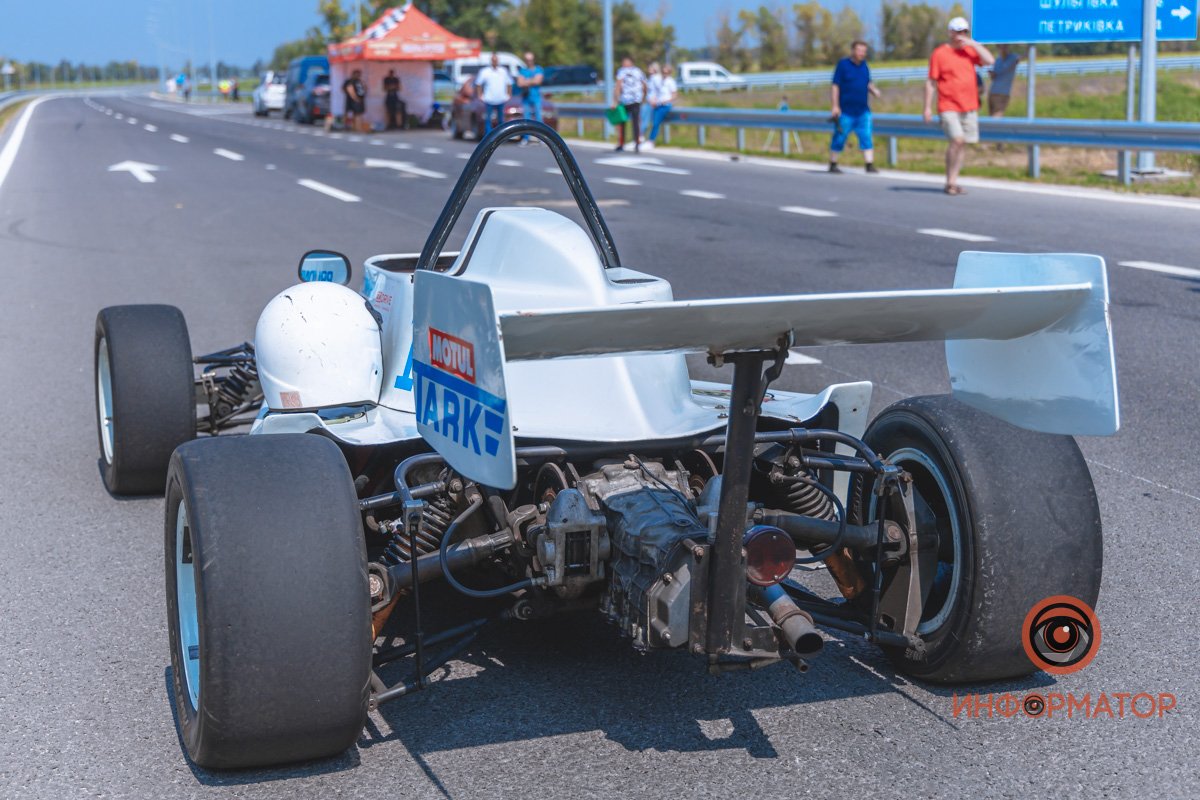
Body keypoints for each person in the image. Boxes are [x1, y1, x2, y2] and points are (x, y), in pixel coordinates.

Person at [923, 16, 994, 196]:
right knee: (957, 140)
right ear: (950, 33)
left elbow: (990, 60)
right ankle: (949, 181)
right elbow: (931, 82)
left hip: (969, 105)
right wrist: (927, 107)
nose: (961, 36)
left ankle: (953, 181)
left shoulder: (969, 51)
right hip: (948, 105)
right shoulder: (940, 53)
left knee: (963, 144)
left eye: (964, 32)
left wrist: (973, 43)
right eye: (958, 32)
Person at [829, 40, 881, 174]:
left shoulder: (865, 66)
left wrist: (873, 90)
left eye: (864, 51)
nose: (862, 53)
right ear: (853, 51)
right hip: (845, 110)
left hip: (863, 110)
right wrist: (835, 106)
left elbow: (867, 82)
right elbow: (835, 86)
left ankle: (869, 164)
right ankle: (833, 163)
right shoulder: (843, 65)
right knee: (840, 137)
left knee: (866, 136)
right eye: (859, 50)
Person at [613, 56, 646, 152]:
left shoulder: (622, 71)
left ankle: (623, 143)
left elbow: (618, 86)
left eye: (624, 62)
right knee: (635, 123)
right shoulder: (639, 71)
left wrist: (615, 100)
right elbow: (644, 85)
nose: (623, 64)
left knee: (623, 122)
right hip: (635, 100)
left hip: (626, 100)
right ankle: (636, 143)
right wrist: (643, 97)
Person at [476, 53, 512, 135]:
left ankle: (501, 136)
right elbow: (478, 84)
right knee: (488, 119)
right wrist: (480, 95)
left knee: (501, 120)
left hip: (501, 99)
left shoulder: (503, 71)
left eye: (496, 60)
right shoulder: (485, 71)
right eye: (493, 60)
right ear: (491, 61)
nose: (495, 62)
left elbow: (509, 83)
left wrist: (508, 95)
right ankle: (488, 137)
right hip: (489, 99)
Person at [516, 51, 544, 144]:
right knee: (526, 118)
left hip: (536, 97)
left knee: (538, 117)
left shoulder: (538, 69)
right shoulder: (523, 71)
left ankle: (541, 138)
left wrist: (526, 81)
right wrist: (532, 80)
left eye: (530, 60)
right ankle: (526, 138)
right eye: (527, 60)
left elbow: (538, 81)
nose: (529, 62)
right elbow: (520, 83)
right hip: (526, 97)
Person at [646, 64, 676, 148]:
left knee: (656, 122)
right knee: (653, 122)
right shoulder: (660, 80)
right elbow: (656, 91)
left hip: (665, 105)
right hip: (657, 104)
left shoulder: (671, 81)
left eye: (666, 73)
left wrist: (665, 101)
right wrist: (654, 100)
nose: (664, 74)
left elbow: (674, 95)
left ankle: (651, 140)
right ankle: (649, 139)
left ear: (669, 73)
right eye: (663, 72)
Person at [988, 45, 1020, 117]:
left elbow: (1023, 56)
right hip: (993, 91)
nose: (1003, 49)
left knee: (997, 116)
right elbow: (995, 76)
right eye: (1001, 47)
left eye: (1005, 47)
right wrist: (992, 74)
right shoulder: (998, 60)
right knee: (991, 116)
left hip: (1002, 93)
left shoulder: (1013, 58)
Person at [642, 62, 661, 140]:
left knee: (646, 121)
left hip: (652, 103)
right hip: (648, 102)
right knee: (644, 120)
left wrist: (655, 99)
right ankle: (641, 137)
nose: (649, 69)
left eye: (651, 68)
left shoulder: (656, 78)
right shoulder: (651, 77)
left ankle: (641, 137)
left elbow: (659, 90)